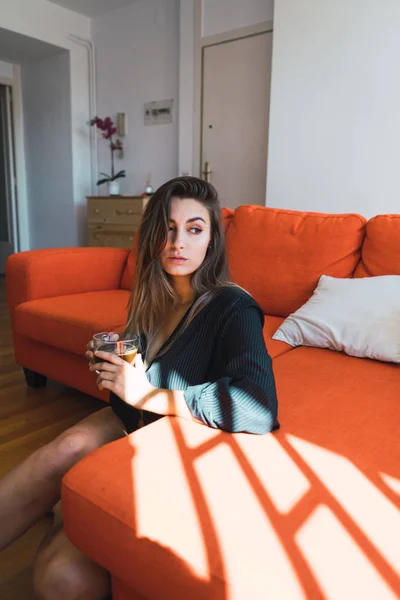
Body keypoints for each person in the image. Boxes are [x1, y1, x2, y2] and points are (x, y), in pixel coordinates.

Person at [0, 176, 278, 600]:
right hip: (132, 423)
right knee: (64, 450)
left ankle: (66, 507)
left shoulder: (233, 307)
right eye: (167, 228)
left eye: (194, 229)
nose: (178, 241)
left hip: (176, 442)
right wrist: (116, 362)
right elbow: (132, 392)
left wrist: (145, 394)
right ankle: (69, 499)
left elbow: (258, 407)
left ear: (212, 241)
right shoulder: (155, 294)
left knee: (61, 578)